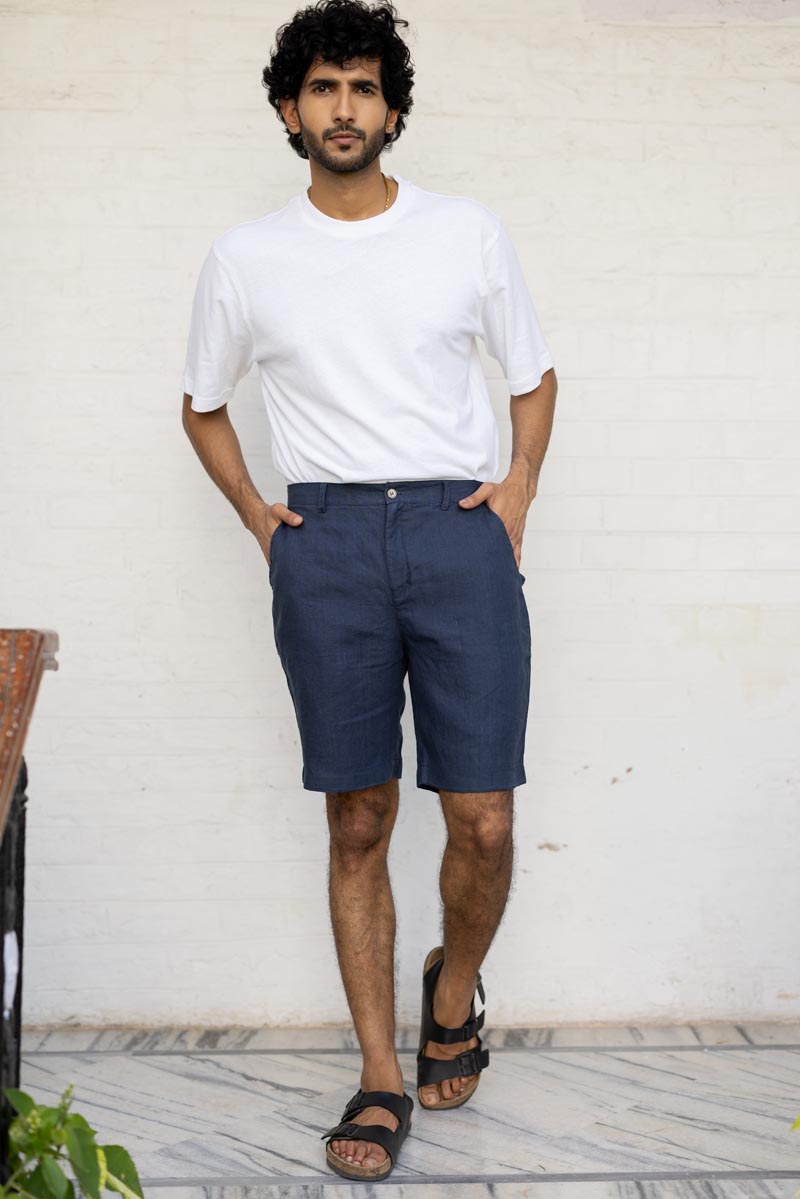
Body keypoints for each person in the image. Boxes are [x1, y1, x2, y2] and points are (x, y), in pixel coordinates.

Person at [181, 0, 557, 1181]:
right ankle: (382, 1072)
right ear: (290, 111)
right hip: (327, 537)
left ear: (389, 107)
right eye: (320, 88)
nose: (341, 107)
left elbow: (533, 377)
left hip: (455, 529)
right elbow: (200, 402)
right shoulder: (246, 258)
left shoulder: (464, 233)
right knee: (356, 815)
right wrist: (262, 520)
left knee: (481, 812)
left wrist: (515, 495)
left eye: (360, 86)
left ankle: (454, 990)